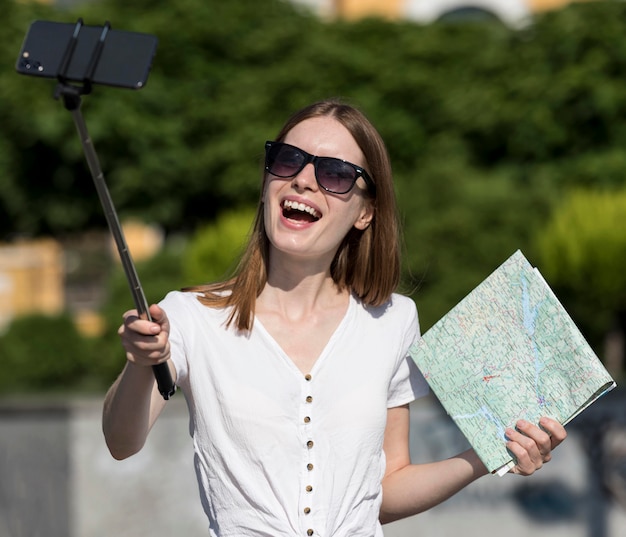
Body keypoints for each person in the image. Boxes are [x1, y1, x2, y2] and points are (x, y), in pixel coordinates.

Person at [102, 99, 567, 536]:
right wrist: (142, 361)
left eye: (336, 174)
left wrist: (486, 455)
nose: (304, 180)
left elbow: (385, 488)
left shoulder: (394, 319)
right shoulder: (191, 316)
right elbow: (121, 441)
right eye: (287, 160)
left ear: (365, 212)